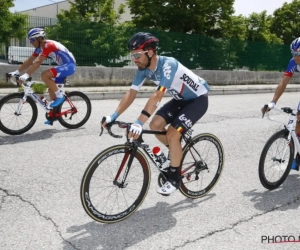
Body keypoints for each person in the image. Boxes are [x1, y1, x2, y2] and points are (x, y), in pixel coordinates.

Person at [102, 32, 210, 195]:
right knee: (155, 125)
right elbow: (131, 93)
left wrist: (139, 122)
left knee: (173, 134)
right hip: (180, 100)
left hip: (197, 100)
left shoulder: (168, 65)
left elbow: (157, 96)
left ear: (150, 52)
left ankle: (174, 178)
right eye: (132, 55)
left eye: (137, 54)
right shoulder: (144, 69)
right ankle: (175, 152)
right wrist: (113, 116)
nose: (134, 59)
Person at [8, 28, 76, 125]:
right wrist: (17, 72)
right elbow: (30, 61)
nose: (31, 43)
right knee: (51, 90)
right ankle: (55, 114)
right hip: (63, 66)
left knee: (44, 75)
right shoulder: (39, 48)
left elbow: (38, 62)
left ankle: (60, 96)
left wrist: (26, 75)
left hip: (69, 65)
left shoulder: (48, 45)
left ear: (39, 39)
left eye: (32, 40)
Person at [262, 37, 300, 171]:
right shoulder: (293, 62)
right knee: (298, 123)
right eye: (293, 53)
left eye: (299, 54)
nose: (296, 56)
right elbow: (283, 82)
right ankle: (298, 156)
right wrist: (273, 102)